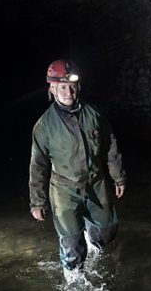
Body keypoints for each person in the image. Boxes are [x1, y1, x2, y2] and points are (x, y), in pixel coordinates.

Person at [29, 59, 126, 278]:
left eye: (72, 85)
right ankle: (73, 280)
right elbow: (38, 164)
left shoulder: (94, 115)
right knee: (72, 242)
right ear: (52, 89)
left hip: (96, 183)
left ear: (79, 86)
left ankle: (93, 243)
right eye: (62, 87)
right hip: (64, 189)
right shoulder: (44, 126)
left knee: (108, 230)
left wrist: (118, 177)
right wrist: (38, 201)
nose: (68, 91)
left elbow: (110, 145)